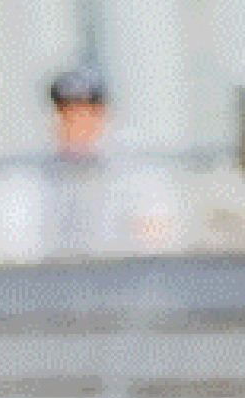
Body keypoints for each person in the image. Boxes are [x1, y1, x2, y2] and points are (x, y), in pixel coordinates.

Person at [14, 62, 181, 259]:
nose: (77, 124)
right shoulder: (36, 172)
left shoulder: (135, 167)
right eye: (68, 114)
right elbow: (21, 244)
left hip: (125, 280)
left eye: (86, 113)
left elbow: (155, 238)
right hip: (57, 280)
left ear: (103, 115)